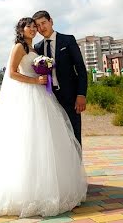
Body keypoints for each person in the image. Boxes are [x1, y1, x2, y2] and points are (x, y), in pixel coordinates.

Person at [0, 17, 87, 218]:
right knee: (23, 141)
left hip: (42, 96)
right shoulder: (19, 47)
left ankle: (46, 186)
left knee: (43, 142)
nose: (33, 29)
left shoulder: (35, 49)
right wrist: (35, 80)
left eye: (35, 26)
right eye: (30, 26)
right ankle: (23, 192)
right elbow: (11, 73)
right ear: (21, 29)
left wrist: (42, 78)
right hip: (26, 96)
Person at [32, 10, 87, 145]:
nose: (41, 28)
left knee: (74, 136)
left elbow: (80, 68)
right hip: (49, 98)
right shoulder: (37, 47)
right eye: (37, 26)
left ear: (51, 21)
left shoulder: (68, 40)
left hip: (70, 97)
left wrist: (81, 94)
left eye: (43, 23)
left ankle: (76, 166)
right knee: (55, 139)